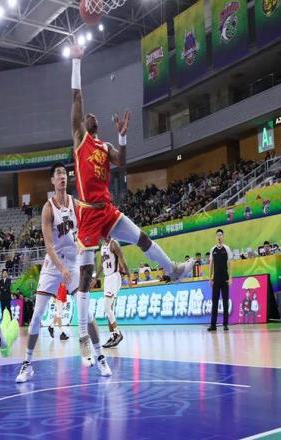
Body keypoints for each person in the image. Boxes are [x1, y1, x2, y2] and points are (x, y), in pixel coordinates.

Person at [69, 44, 195, 366]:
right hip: (87, 214)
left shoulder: (105, 146)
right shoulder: (80, 139)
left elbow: (122, 162)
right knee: (85, 276)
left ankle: (173, 271)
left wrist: (124, 137)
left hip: (107, 210)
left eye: (93, 117)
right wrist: (77, 60)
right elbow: (77, 97)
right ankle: (83, 335)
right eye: (87, 115)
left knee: (142, 238)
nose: (91, 115)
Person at [15, 163, 112, 383]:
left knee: (87, 314)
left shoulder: (76, 204)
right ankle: (27, 364)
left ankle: (100, 357)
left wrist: (98, 241)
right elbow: (48, 246)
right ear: (52, 180)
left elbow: (88, 228)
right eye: (58, 174)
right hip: (53, 265)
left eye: (64, 173)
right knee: (37, 316)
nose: (62, 176)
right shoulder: (48, 208)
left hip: (74, 263)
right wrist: (61, 268)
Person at [93, 237, 130, 348]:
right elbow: (102, 263)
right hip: (107, 278)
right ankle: (113, 335)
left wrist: (128, 276)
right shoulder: (103, 246)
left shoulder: (113, 244)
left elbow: (122, 259)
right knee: (109, 310)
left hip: (114, 277)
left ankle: (117, 333)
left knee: (107, 308)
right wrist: (96, 278)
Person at [207, 229, 233, 331]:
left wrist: (230, 278)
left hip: (225, 278)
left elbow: (230, 264)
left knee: (225, 301)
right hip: (216, 279)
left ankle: (225, 324)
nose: (219, 237)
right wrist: (210, 278)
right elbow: (211, 265)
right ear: (215, 237)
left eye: (221, 235)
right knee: (215, 302)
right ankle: (213, 325)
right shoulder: (212, 249)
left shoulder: (227, 248)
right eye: (217, 235)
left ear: (223, 236)